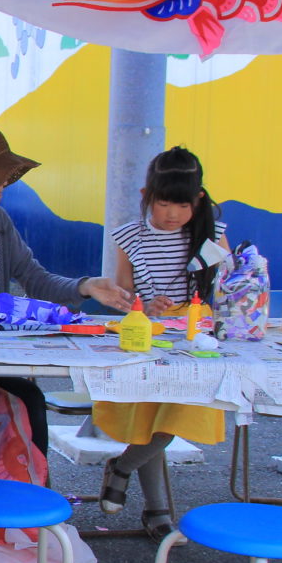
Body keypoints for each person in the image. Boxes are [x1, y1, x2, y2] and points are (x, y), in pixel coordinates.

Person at [0, 123, 131, 462]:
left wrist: (85, 286)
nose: (4, 183)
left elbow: (35, 278)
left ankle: (34, 490)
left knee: (29, 401)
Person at [97, 146, 229, 540]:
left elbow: (227, 286)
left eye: (182, 205)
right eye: (163, 203)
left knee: (175, 418)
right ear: (146, 196)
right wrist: (143, 303)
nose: (172, 214)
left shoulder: (212, 235)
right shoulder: (129, 236)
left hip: (196, 340)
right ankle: (157, 510)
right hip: (147, 338)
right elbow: (122, 292)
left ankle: (121, 467)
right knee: (150, 422)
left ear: (198, 200)